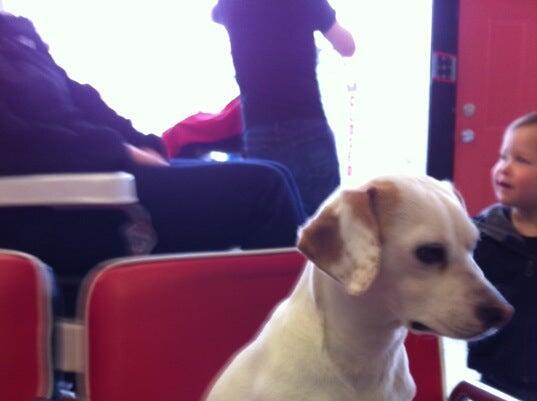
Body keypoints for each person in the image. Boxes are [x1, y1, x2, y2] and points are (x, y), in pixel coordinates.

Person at [0, 13, 305, 312]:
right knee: (263, 191)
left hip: (96, 173)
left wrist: (142, 143)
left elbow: (86, 102)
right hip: (57, 208)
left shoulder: (13, 32)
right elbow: (14, 143)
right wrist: (120, 150)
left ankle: (278, 324)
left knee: (276, 174)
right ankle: (288, 335)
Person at [212, 0, 355, 217]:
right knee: (327, 224)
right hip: (307, 125)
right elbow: (347, 46)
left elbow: (215, 15)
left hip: (259, 133)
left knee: (276, 224)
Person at [468, 112, 537, 401]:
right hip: (504, 371)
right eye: (503, 156)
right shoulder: (483, 234)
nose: (503, 168)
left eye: (521, 160)